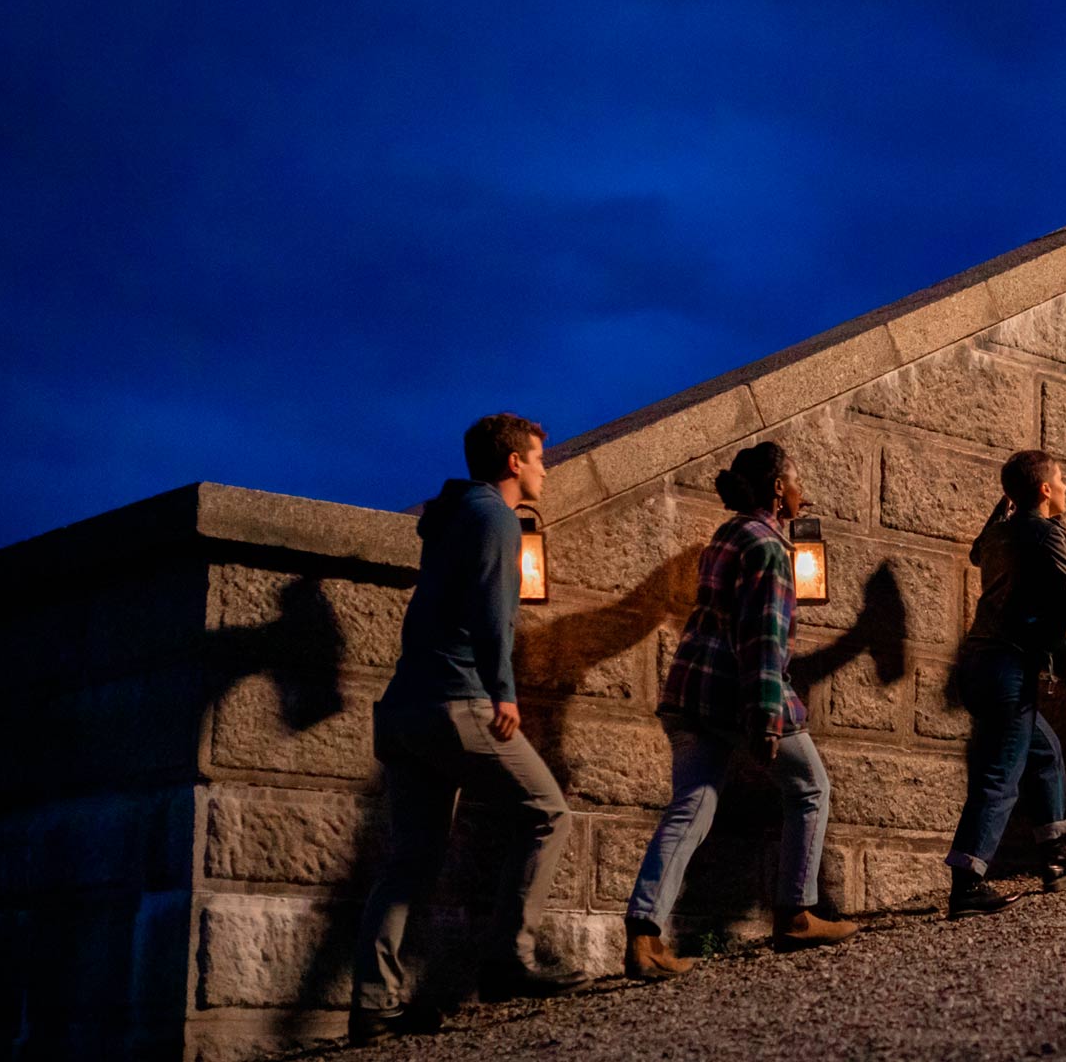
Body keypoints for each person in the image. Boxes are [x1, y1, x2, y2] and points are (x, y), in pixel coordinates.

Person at [350, 413, 584, 1046]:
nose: (545, 469)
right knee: (547, 812)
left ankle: (374, 1005)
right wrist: (502, 693)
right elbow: (490, 613)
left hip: (405, 711)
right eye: (539, 458)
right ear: (514, 463)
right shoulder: (495, 518)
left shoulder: (453, 516)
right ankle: (509, 956)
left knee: (411, 861)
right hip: (457, 703)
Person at [622, 442, 856, 978]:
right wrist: (767, 716)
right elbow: (762, 639)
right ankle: (796, 912)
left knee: (693, 808)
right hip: (733, 692)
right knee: (810, 788)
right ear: (778, 488)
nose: (802, 492)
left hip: (689, 690)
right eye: (796, 482)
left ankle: (644, 936)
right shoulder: (770, 548)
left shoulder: (726, 537)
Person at [945, 450, 1066, 917]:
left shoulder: (997, 534)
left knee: (1045, 751)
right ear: (1046, 490)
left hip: (983, 664)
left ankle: (1056, 859)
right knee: (999, 773)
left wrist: (1007, 500)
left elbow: (976, 550)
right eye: (1062, 479)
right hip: (1008, 666)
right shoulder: (1046, 533)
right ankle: (967, 883)